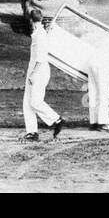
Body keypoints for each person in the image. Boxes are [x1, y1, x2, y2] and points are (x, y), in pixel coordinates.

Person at [21, 13, 63, 141]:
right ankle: (32, 132)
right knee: (27, 102)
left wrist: (33, 74)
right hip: (36, 69)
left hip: (38, 71)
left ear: (31, 20)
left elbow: (40, 58)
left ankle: (56, 119)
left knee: (35, 101)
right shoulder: (38, 33)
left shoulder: (40, 35)